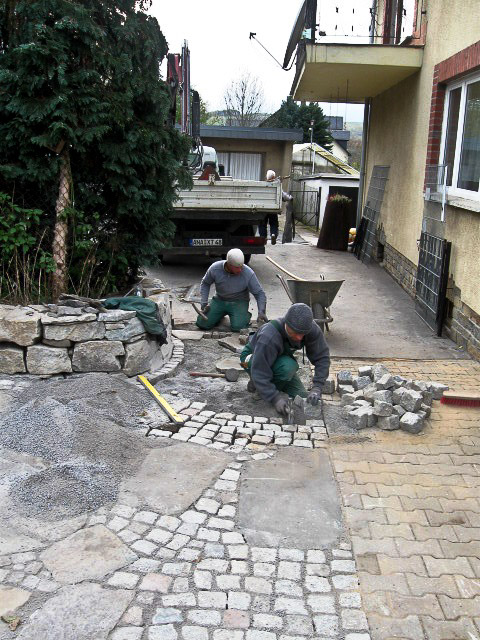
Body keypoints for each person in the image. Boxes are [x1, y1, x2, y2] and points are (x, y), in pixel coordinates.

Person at [240, 303, 329, 416]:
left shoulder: (310, 328)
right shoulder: (269, 336)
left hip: (275, 358)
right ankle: (259, 386)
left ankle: (264, 385)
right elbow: (260, 370)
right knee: (288, 367)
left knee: (302, 396)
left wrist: (317, 387)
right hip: (249, 360)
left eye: (302, 334)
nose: (299, 338)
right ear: (287, 323)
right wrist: (275, 398)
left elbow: (322, 358)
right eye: (295, 333)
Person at [196, 248, 268, 332]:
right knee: (202, 323)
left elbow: (259, 293)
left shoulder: (248, 273)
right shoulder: (215, 268)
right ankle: (218, 316)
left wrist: (261, 311)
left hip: (239, 302)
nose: (240, 270)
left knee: (238, 327)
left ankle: (244, 315)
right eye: (237, 267)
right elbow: (205, 283)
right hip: (219, 300)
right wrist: (204, 303)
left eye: (242, 266)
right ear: (229, 264)